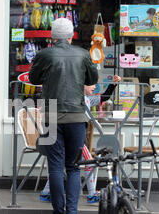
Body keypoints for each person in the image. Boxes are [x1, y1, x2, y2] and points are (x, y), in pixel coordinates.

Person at [29, 18, 98, 214]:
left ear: (52, 36)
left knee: (56, 166)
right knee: (74, 167)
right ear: (71, 36)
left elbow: (32, 78)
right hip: (77, 117)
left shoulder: (45, 55)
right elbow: (92, 78)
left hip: (51, 116)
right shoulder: (83, 54)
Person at [39, 75, 122, 204]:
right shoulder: (75, 99)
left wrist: (113, 84)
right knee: (89, 161)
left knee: (61, 166)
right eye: (91, 84)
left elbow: (105, 97)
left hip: (73, 137)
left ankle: (46, 192)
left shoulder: (88, 99)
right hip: (70, 137)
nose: (95, 86)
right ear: (80, 85)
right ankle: (91, 193)